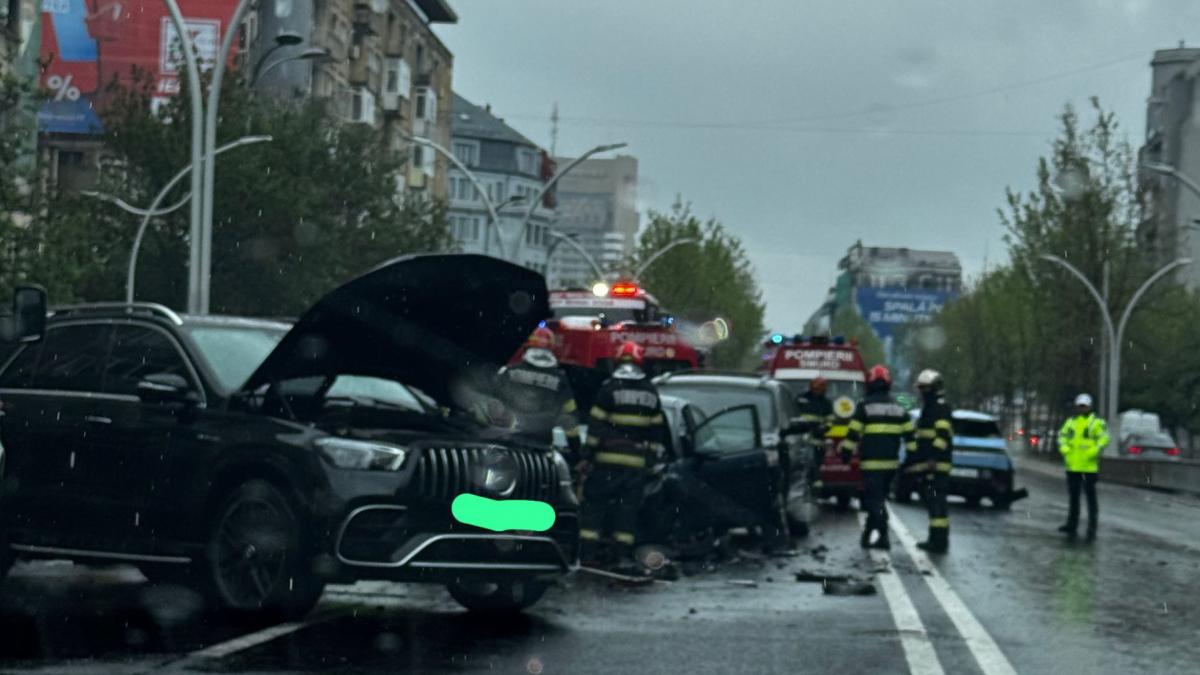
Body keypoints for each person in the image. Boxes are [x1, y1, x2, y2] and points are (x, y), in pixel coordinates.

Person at [579, 341, 671, 567]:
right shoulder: (650, 391)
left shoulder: (609, 388)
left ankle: (587, 556)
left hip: (606, 463)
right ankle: (619, 557)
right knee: (626, 512)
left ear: (619, 360)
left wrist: (586, 456)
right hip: (635, 467)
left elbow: (595, 427)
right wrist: (649, 462)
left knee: (594, 508)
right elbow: (658, 433)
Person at [842, 365, 913, 550]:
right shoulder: (899, 407)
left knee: (874, 500)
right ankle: (868, 534)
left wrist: (845, 455)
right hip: (891, 466)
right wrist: (912, 460)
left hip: (871, 464)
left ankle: (883, 536)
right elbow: (911, 437)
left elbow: (852, 434)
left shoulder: (864, 406)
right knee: (879, 499)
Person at [494, 327, 582, 456]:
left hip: (507, 443)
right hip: (541, 447)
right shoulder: (559, 379)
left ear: (528, 347)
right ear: (551, 348)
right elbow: (569, 418)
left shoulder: (509, 372)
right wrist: (577, 450)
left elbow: (492, 402)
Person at [909, 369, 954, 553]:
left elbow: (942, 437)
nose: (921, 392)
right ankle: (936, 539)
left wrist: (932, 459)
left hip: (936, 465)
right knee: (934, 504)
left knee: (937, 505)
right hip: (931, 464)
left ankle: (938, 542)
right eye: (920, 388)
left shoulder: (940, 408)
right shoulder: (930, 407)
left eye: (924, 388)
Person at [1057, 393, 1107, 541]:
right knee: (1074, 498)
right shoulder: (1071, 422)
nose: (1082, 408)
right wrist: (1065, 449)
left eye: (1084, 406)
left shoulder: (1096, 422)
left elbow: (1104, 438)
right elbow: (1062, 436)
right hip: (1073, 467)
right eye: (1080, 406)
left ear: (1090, 406)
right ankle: (1072, 524)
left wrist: (1094, 451)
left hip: (1089, 468)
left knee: (1091, 499)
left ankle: (1092, 528)